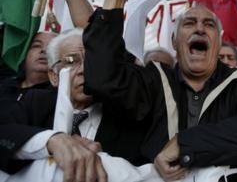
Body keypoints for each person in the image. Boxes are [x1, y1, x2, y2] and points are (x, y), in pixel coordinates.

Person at [83, 0, 237, 181]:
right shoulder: (152, 80)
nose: (200, 28)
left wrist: (186, 145)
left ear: (219, 44)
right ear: (174, 41)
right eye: (189, 23)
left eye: (209, 24)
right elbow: (102, 79)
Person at [0, 29, 151, 182]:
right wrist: (51, 141)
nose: (84, 70)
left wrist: (104, 162)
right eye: (71, 61)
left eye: (92, 62)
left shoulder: (128, 117)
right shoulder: (35, 102)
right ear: (53, 76)